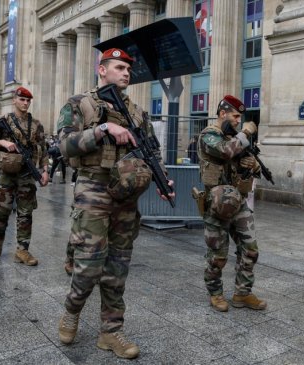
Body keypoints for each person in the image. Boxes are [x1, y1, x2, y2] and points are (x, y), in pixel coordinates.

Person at [56, 47, 174, 359]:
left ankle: (111, 331)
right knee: (89, 265)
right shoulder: (80, 104)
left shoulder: (137, 113)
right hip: (93, 189)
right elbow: (64, 145)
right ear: (102, 70)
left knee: (118, 266)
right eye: (119, 67)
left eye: (128, 69)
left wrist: (162, 180)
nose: (126, 73)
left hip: (126, 196)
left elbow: (152, 150)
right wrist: (102, 129)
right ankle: (72, 310)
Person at [197, 95, 266, 313]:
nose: (238, 120)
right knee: (218, 255)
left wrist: (253, 165)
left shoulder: (234, 138)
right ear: (222, 113)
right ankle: (215, 294)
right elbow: (226, 151)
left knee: (251, 249)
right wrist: (246, 132)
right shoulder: (209, 135)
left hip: (239, 202)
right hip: (217, 203)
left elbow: (249, 168)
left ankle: (242, 293)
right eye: (235, 116)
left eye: (240, 117)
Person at [0, 86, 49, 265]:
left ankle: (22, 250)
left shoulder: (36, 124)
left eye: (28, 100)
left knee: (26, 213)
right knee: (2, 210)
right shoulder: (2, 121)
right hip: (7, 173)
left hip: (27, 174)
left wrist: (45, 170)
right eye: (22, 99)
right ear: (14, 100)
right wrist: (2, 142)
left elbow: (43, 149)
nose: (25, 103)